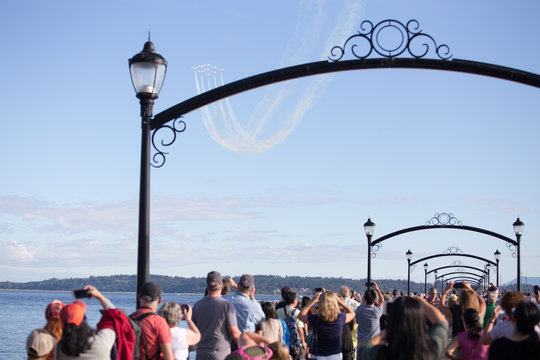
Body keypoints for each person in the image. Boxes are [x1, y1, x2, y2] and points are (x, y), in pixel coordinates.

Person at [358, 296, 449, 360]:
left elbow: (363, 350)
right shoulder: (430, 350)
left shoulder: (383, 354)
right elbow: (441, 323)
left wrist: (384, 335)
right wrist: (420, 301)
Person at [54, 286, 119, 359]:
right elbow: (117, 318)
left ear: (62, 323)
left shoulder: (60, 348)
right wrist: (100, 297)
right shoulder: (102, 340)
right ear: (84, 319)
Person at [192, 271, 241, 360]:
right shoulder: (227, 305)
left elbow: (193, 333)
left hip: (201, 355)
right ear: (221, 286)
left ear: (207, 286)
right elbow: (235, 334)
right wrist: (250, 341)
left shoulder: (197, 306)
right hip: (221, 355)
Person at [298, 291, 355, 360]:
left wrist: (312, 301)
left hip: (318, 354)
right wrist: (339, 301)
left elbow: (300, 316)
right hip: (335, 354)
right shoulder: (340, 318)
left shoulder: (316, 318)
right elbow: (352, 313)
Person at [130, 281, 174, 360]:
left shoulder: (128, 319)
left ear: (139, 297)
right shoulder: (159, 323)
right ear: (159, 300)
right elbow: (168, 357)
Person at [276, 290, 306, 360]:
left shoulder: (278, 311)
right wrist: (303, 342)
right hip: (295, 343)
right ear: (294, 300)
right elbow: (300, 328)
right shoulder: (297, 312)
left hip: (282, 342)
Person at [355, 282, 384, 347]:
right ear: (374, 300)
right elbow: (382, 301)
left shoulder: (359, 309)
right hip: (374, 341)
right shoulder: (377, 311)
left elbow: (357, 321)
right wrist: (377, 289)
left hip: (362, 340)